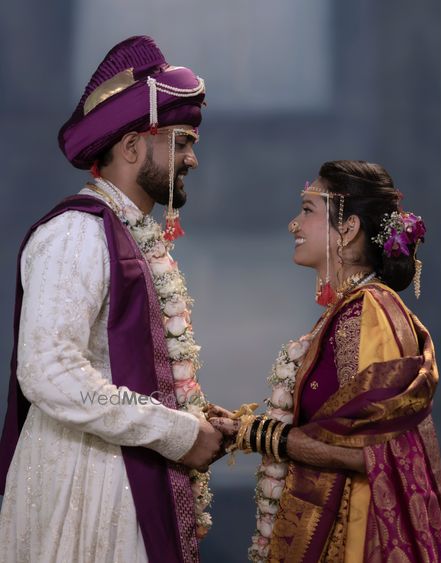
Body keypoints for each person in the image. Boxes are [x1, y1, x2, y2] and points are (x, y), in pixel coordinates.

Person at [0, 35, 223, 563]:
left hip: (117, 474)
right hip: (80, 488)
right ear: (132, 146)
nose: (192, 159)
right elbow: (49, 369)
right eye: (181, 142)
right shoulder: (76, 233)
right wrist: (175, 430)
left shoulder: (126, 234)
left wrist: (187, 416)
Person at [210, 160, 441, 561]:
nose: (293, 224)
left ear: (349, 228)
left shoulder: (369, 314)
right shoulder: (348, 312)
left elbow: (372, 453)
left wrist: (258, 434)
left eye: (307, 209)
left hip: (356, 533)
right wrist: (242, 430)